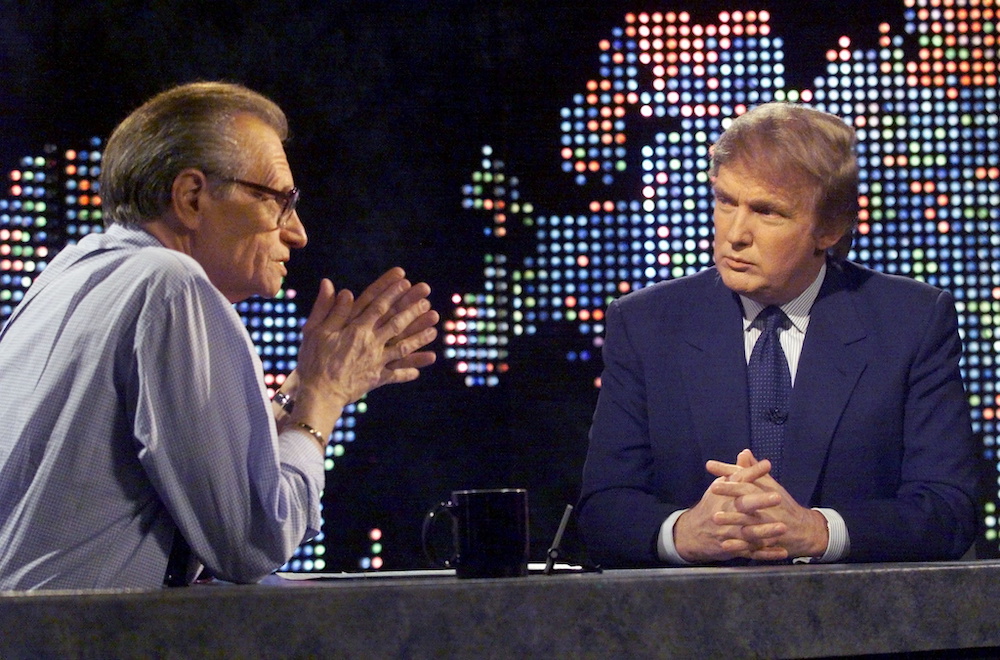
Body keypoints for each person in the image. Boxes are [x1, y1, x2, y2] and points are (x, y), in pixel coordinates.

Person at [0, 81, 439, 590]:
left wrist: (296, 394)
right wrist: (324, 399)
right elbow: (252, 540)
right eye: (279, 200)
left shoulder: (68, 275)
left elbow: (172, 457)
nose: (297, 232)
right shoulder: (172, 286)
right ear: (191, 197)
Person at [577, 102, 978, 566]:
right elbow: (604, 508)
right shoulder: (645, 324)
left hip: (860, 623)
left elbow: (950, 509)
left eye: (767, 212)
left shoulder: (912, 321)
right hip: (690, 627)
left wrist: (818, 531)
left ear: (829, 228)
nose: (735, 234)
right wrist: (684, 531)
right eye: (726, 202)